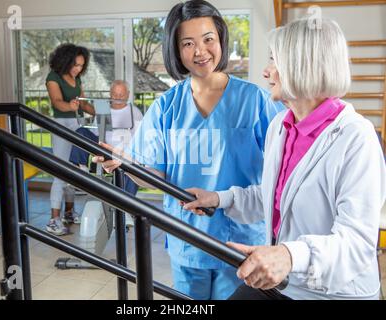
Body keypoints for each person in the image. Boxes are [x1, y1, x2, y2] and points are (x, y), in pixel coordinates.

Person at [183, 17, 386, 300]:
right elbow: (274, 197)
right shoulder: (281, 126)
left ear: (303, 65)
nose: (266, 72)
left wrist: (289, 255)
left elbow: (355, 244)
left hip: (334, 292)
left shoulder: (355, 138)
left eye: (274, 61)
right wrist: (219, 199)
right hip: (285, 283)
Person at [93, 0, 284, 300]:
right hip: (187, 239)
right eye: (188, 43)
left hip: (241, 242)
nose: (200, 51)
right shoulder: (166, 106)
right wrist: (126, 164)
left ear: (221, 39)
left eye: (208, 39)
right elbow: (154, 173)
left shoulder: (258, 101)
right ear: (176, 50)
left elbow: (281, 174)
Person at [69, 80, 143, 224]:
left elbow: (139, 139)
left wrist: (127, 154)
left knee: (134, 164)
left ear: (127, 95)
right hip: (104, 148)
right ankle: (81, 169)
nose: (117, 97)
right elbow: (97, 133)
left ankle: (125, 208)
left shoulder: (134, 112)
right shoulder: (103, 109)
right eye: (115, 94)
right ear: (110, 94)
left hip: (124, 152)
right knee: (81, 132)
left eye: (121, 94)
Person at [45, 43, 96, 236]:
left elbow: (83, 104)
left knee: (73, 170)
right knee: (60, 172)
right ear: (65, 61)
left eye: (81, 65)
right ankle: (53, 219)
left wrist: (103, 110)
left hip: (77, 124)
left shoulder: (77, 79)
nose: (78, 69)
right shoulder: (53, 77)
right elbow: (57, 102)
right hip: (61, 125)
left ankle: (68, 212)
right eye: (75, 64)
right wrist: (72, 105)